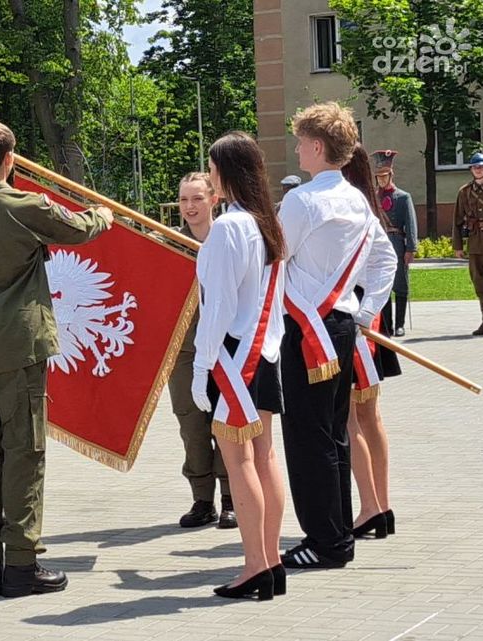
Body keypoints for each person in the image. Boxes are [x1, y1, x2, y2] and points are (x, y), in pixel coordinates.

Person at [0, 121, 112, 598]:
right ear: (10, 160)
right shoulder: (26, 206)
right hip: (20, 344)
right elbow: (79, 229)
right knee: (23, 453)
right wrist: (102, 215)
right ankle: (20, 562)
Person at [278, 103, 396, 570]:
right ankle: (338, 533)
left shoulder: (302, 201)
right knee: (333, 434)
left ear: (316, 146)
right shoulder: (357, 201)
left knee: (309, 438)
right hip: (342, 326)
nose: (296, 150)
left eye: (300, 142)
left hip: (306, 329)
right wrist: (365, 313)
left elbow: (275, 257)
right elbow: (385, 260)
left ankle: (326, 541)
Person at [192, 133, 288, 601]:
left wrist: (201, 365)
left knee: (240, 461)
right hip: (263, 351)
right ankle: (270, 561)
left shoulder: (230, 226)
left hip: (233, 355)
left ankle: (255, 566)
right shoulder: (265, 221)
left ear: (224, 171)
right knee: (265, 457)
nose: (210, 175)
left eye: (212, 168)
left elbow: (219, 306)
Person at [167, 172, 236, 530]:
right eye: (184, 200)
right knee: (191, 425)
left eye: (197, 198)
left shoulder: (227, 239)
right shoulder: (169, 244)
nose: (190, 207)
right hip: (184, 351)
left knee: (224, 423)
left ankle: (231, 498)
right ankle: (202, 500)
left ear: (214, 200)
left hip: (224, 348)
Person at [342, 145, 402, 540]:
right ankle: (381, 505)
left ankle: (370, 507)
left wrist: (364, 314)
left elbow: (385, 263)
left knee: (352, 418)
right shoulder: (366, 206)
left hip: (355, 318)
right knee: (370, 416)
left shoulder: (350, 210)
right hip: (367, 314)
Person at [372, 150, 418, 336]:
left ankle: (399, 324)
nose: (381, 180)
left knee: (400, 285)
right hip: (378, 245)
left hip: (397, 244)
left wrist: (411, 249)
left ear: (391, 175)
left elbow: (411, 224)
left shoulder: (403, 197)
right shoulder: (373, 197)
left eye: (384, 176)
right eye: (379, 177)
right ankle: (386, 326)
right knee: (383, 287)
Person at [452, 151, 483, 335]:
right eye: (475, 167)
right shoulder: (464, 192)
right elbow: (457, 220)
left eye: (481, 167)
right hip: (475, 245)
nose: (478, 170)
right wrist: (458, 246)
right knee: (480, 286)